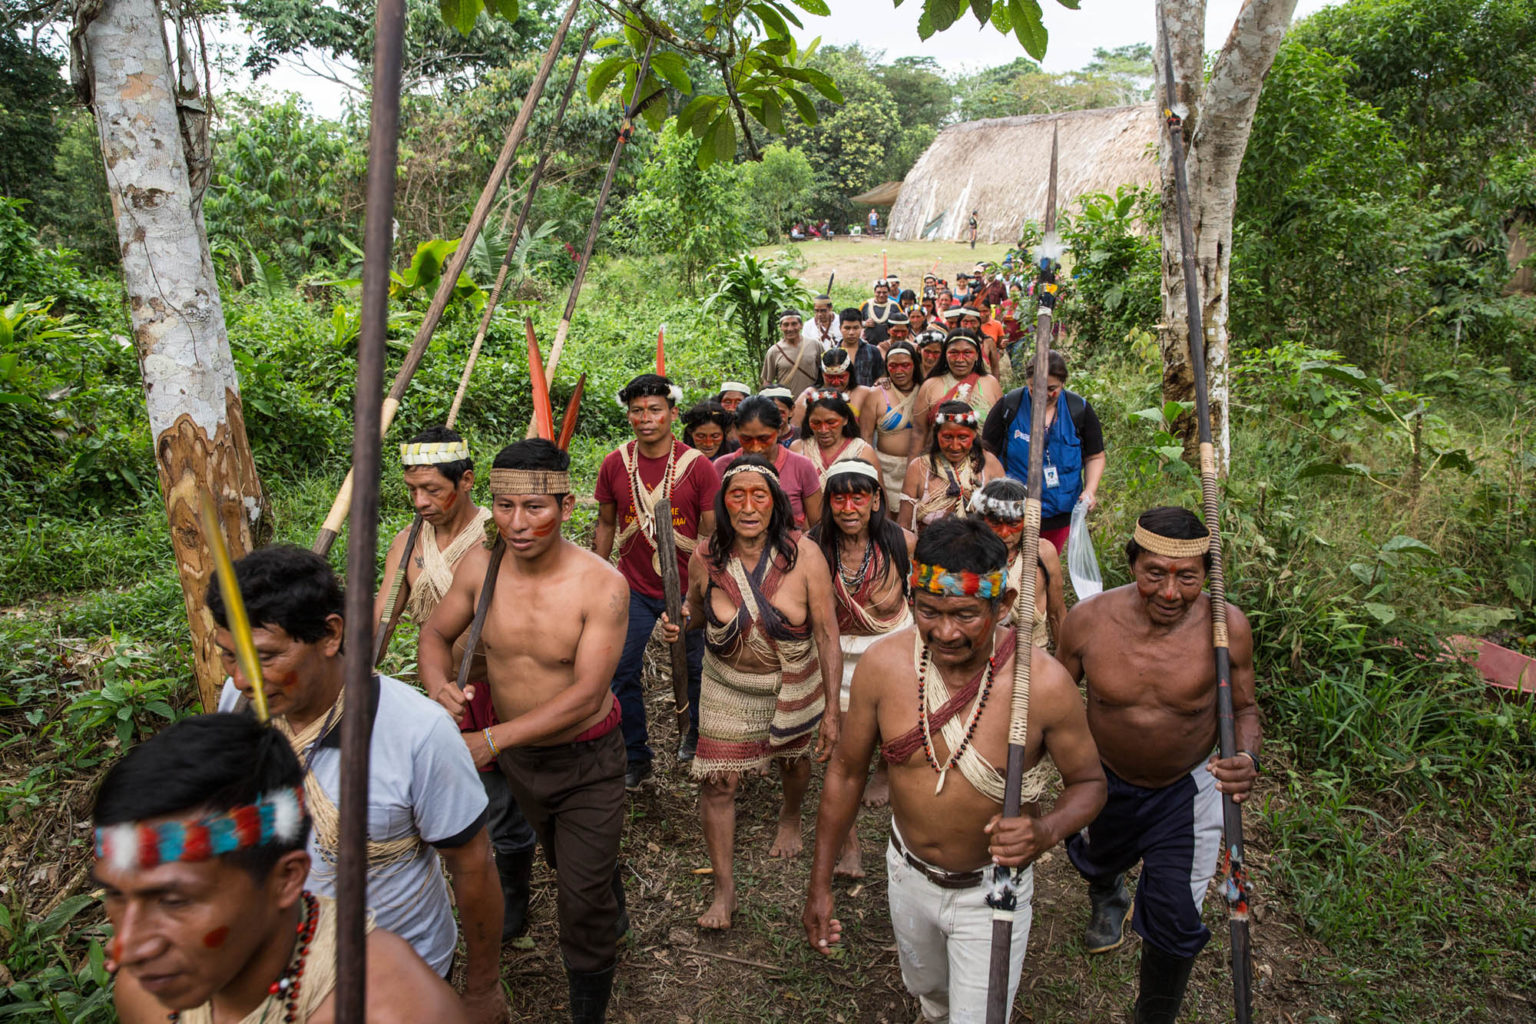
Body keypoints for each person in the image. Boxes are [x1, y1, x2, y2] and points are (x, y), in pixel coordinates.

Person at [802, 518, 1107, 1024]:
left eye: (966, 614)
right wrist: (819, 883)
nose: (945, 632)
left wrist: (1045, 830)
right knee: (929, 992)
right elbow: (846, 773)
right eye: (930, 612)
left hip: (992, 888)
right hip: (908, 874)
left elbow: (1091, 784)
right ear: (912, 601)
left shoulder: (1043, 685)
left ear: (1002, 606)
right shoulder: (884, 666)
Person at [208, 546, 504, 1022]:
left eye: (264, 656)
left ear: (330, 634)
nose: (242, 678)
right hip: (281, 970)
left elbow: (473, 866)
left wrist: (483, 988)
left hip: (396, 980)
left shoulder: (418, 735)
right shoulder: (241, 701)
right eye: (228, 656)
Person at [424, 439, 633, 1023]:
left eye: (534, 508)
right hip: (521, 763)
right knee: (571, 864)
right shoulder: (480, 567)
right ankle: (603, 881)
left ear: (567, 508)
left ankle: (586, 1008)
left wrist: (489, 740)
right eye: (505, 507)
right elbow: (436, 636)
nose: (518, 523)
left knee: (579, 902)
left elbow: (586, 694)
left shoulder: (602, 585)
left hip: (587, 759)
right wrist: (438, 682)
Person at [93, 714, 466, 1024]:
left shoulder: (400, 1011)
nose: (127, 948)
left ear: (286, 879)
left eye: (174, 900)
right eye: (116, 895)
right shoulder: (144, 992)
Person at [1054, 507, 1260, 1024]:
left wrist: (1246, 757)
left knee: (1175, 917)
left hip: (1186, 791)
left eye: (1187, 578)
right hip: (1103, 780)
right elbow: (1055, 703)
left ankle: (1153, 1016)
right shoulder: (1089, 621)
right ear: (1132, 566)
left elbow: (1247, 710)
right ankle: (1107, 890)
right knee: (1097, 855)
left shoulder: (1226, 627)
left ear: (1205, 575)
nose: (1170, 593)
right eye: (1155, 575)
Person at [664, 456, 842, 931]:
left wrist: (833, 712)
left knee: (795, 761)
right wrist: (678, 622)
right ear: (723, 504)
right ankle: (724, 891)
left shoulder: (806, 555)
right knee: (717, 782)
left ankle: (790, 813)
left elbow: (826, 634)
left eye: (758, 495)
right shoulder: (706, 556)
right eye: (736, 495)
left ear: (775, 502)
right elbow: (697, 614)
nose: (747, 506)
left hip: (793, 679)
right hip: (727, 683)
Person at [378, 427, 537, 946]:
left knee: (512, 801)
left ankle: (519, 887)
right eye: (412, 491)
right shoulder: (407, 545)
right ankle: (482, 886)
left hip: (505, 688)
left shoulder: (501, 537)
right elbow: (385, 614)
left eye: (433, 490)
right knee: (467, 800)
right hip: (445, 694)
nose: (421, 501)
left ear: (466, 481)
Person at [594, 373, 721, 786]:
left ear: (672, 413)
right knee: (621, 669)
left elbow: (710, 532)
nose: (646, 418)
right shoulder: (616, 463)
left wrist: (698, 593)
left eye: (654, 410)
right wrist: (593, 575)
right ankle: (636, 756)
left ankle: (698, 738)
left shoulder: (696, 466)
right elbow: (606, 523)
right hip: (631, 587)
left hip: (688, 587)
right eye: (637, 411)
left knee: (697, 665)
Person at [810, 460, 914, 873]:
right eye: (839, 497)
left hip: (894, 654)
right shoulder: (813, 548)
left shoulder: (903, 543)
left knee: (901, 739)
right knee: (843, 756)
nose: (849, 507)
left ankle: (887, 776)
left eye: (859, 497)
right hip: (839, 656)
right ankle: (848, 844)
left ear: (875, 501)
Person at [981, 348, 1107, 554]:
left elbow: (1095, 456)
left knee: (1047, 562)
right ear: (1027, 382)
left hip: (1059, 512)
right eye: (1035, 388)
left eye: (1051, 389)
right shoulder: (1009, 407)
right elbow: (986, 454)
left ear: (1063, 383)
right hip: (1013, 513)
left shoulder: (1079, 410)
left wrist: (1090, 490)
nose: (1043, 395)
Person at [971, 477, 1066, 649]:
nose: (1005, 533)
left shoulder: (1043, 553)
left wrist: (1065, 665)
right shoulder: (968, 553)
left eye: (1013, 524)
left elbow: (1057, 614)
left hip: (1034, 656)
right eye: (995, 524)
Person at [715, 395, 822, 529]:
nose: (756, 447)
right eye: (747, 439)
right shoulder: (722, 467)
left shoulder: (801, 466)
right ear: (736, 432)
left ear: (778, 430)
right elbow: (715, 523)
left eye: (764, 439)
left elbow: (817, 525)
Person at [900, 401, 1002, 534]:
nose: (955, 446)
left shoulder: (989, 464)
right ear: (937, 435)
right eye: (947, 437)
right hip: (930, 551)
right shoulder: (919, 468)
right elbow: (904, 526)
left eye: (963, 437)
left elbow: (1003, 521)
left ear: (974, 434)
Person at [910, 328, 1004, 458]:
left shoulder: (990, 383)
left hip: (981, 463)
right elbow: (919, 433)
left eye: (967, 353)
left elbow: (1000, 431)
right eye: (954, 353)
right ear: (945, 354)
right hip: (938, 464)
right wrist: (913, 470)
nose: (960, 359)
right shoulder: (930, 385)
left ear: (977, 355)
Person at [792, 390, 885, 492]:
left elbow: (878, 495)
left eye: (831, 422)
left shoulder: (862, 451)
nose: (823, 430)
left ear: (845, 419)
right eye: (816, 423)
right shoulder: (799, 449)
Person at [872, 340, 922, 516]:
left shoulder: (925, 391)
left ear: (915, 365)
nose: (899, 371)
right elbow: (864, 439)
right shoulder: (877, 394)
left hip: (919, 469)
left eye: (905, 365)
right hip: (884, 470)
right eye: (893, 366)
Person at [793, 347, 880, 442]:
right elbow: (796, 434)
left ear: (850, 373)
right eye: (830, 377)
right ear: (822, 374)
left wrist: (886, 383)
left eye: (841, 377)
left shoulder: (866, 394)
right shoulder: (809, 395)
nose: (835, 382)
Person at [760, 309, 820, 395]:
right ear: (780, 327)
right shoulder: (774, 351)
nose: (790, 328)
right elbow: (767, 382)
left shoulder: (815, 345)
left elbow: (824, 373)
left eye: (794, 324)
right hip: (787, 403)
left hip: (812, 401)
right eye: (786, 325)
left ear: (801, 325)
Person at [833, 306, 887, 386]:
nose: (851, 332)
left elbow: (880, 376)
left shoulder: (873, 351)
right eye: (847, 328)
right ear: (840, 328)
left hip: (867, 397)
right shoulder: (832, 354)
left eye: (855, 328)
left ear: (862, 327)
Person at [860, 281, 898, 347]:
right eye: (878, 292)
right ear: (874, 292)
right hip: (869, 345)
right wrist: (864, 323)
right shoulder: (866, 305)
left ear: (889, 293)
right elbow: (855, 322)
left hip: (889, 345)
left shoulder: (895, 306)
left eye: (884, 292)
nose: (881, 295)